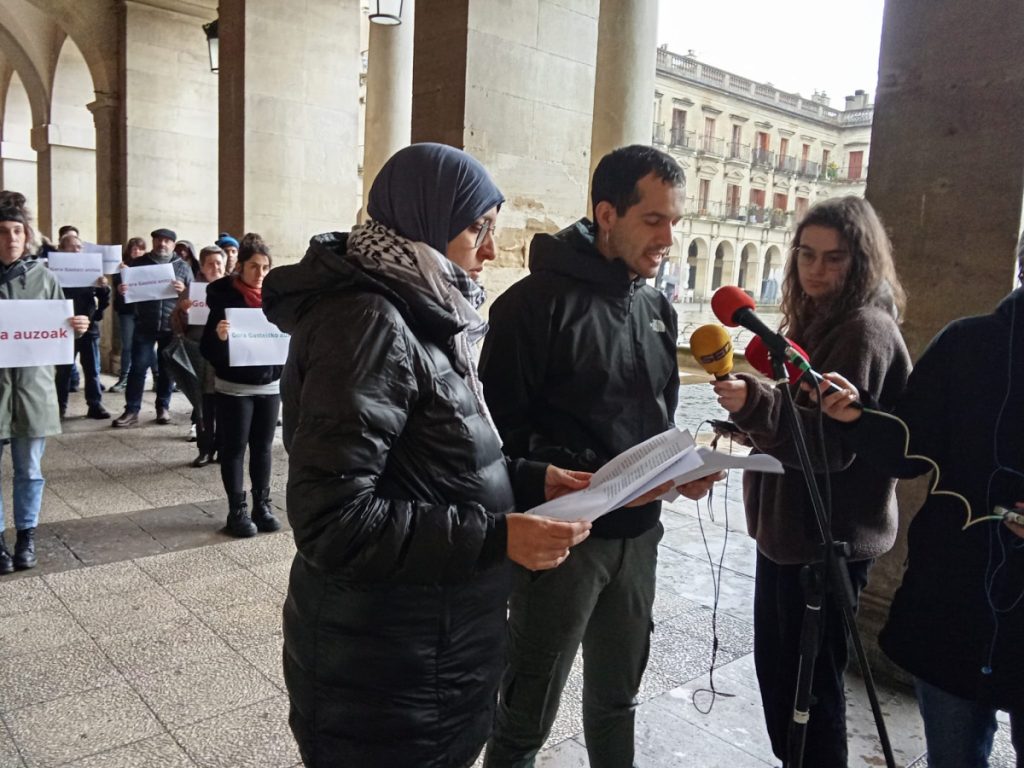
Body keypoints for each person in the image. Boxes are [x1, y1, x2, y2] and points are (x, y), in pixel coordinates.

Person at [261, 143, 593, 768]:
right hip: (387, 670)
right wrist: (499, 538)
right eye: (478, 229)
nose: (492, 251)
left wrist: (528, 479)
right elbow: (332, 519)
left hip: (423, 651)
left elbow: (429, 463)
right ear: (427, 218)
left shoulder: (420, 310)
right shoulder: (370, 321)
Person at [480, 145, 720, 768]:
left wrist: (682, 474)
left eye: (676, 220)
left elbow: (660, 421)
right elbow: (494, 442)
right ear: (606, 213)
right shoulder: (529, 308)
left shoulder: (656, 308)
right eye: (655, 219)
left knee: (619, 699)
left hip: (640, 539)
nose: (670, 237)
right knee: (527, 708)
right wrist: (546, 478)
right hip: (562, 544)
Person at [710, 196, 912, 767]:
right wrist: (748, 411)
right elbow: (794, 428)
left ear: (862, 262)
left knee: (811, 691)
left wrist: (760, 405)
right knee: (780, 678)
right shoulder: (815, 323)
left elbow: (831, 448)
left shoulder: (863, 332)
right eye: (807, 255)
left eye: (835, 258)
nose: (816, 270)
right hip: (788, 534)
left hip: (828, 540)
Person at [817, 287, 1024, 768]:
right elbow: (909, 446)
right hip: (953, 597)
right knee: (953, 757)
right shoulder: (967, 342)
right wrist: (857, 415)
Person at [0, 193, 89, 573]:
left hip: (32, 388)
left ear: (28, 234)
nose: (11, 239)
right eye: (3, 232)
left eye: (17, 231)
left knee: (30, 468)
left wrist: (76, 329)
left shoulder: (43, 277)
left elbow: (58, 335)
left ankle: (26, 537)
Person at [200, 235, 280, 536]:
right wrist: (220, 338)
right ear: (241, 268)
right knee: (234, 449)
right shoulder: (225, 299)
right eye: (254, 267)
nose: (260, 274)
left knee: (263, 448)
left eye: (265, 268)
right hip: (234, 386)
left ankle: (262, 505)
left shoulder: (276, 300)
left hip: (269, 385)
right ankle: (237, 511)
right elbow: (207, 348)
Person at [112, 227, 191, 427]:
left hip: (171, 325)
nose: (162, 244)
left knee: (167, 369)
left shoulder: (182, 266)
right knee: (138, 367)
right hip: (144, 323)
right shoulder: (138, 264)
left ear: (173, 244)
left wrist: (183, 292)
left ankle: (162, 407)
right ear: (153, 242)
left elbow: (193, 297)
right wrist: (123, 289)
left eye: (167, 241)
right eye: (158, 240)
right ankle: (131, 410)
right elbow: (125, 294)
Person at [172, 245, 225, 467]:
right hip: (199, 352)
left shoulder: (231, 288)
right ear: (202, 266)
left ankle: (223, 447)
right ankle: (204, 449)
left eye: (219, 263)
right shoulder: (192, 289)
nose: (215, 267)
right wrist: (182, 311)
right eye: (210, 263)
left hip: (224, 354)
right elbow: (175, 325)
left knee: (225, 403)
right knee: (203, 405)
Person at [53, 233, 111, 420]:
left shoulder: (90, 270)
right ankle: (59, 407)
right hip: (63, 326)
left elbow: (103, 301)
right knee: (63, 370)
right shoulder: (54, 272)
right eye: (72, 246)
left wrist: (104, 288)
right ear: (61, 249)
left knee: (92, 368)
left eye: (79, 247)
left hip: (88, 326)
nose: (77, 250)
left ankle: (95, 404)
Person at [109, 237, 147, 393]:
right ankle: (124, 377)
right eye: (133, 248)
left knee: (148, 346)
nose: (136, 251)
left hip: (145, 311)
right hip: (127, 310)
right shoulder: (121, 266)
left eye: (139, 248)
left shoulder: (149, 265)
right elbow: (117, 286)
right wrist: (122, 277)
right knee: (127, 346)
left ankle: (157, 377)